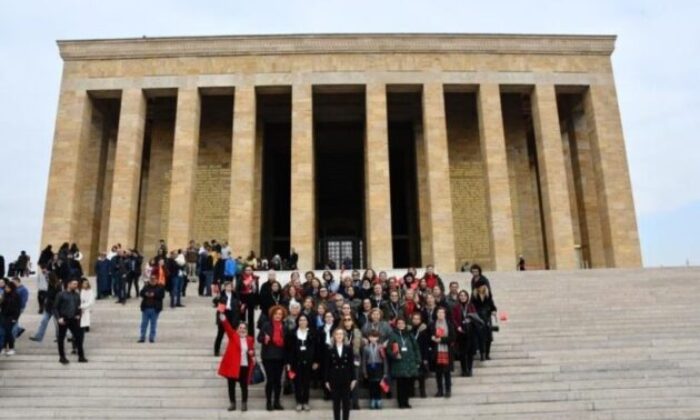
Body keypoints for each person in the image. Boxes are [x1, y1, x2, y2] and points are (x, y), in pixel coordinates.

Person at [217, 315, 255, 412]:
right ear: (237, 329)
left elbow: (251, 350)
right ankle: (232, 403)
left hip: (244, 366)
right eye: (240, 328)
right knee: (231, 386)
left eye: (244, 328)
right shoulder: (233, 336)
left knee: (244, 386)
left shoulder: (250, 339)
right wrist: (224, 319)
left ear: (246, 330)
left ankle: (244, 403)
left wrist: (251, 353)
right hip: (233, 366)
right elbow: (227, 327)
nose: (242, 330)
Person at [285, 313, 318, 411]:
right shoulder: (292, 333)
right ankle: (299, 402)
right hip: (296, 362)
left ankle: (306, 402)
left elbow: (317, 349)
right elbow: (287, 349)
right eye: (300, 320)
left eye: (304, 320)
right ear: (297, 322)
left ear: (307, 322)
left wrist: (316, 361)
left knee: (307, 383)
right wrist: (288, 363)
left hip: (309, 362)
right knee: (297, 383)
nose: (302, 322)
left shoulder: (313, 333)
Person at [258, 305, 288, 411]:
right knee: (270, 380)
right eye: (276, 314)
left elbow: (288, 342)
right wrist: (265, 339)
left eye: (280, 314)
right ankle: (268, 402)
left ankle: (276, 402)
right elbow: (259, 338)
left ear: (283, 315)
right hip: (268, 356)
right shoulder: (266, 325)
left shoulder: (284, 326)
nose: (278, 316)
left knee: (278, 381)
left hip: (280, 357)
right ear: (272, 314)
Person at [387, 317, 420, 409]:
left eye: (402, 323)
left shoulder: (409, 335)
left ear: (405, 325)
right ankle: (401, 403)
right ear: (396, 325)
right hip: (399, 363)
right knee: (400, 385)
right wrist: (394, 355)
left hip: (409, 363)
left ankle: (406, 402)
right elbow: (389, 349)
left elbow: (416, 348)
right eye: (399, 323)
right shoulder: (393, 335)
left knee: (408, 384)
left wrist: (418, 360)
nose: (401, 325)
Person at [325, 328, 357, 420]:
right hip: (334, 378)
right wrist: (326, 380)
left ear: (344, 336)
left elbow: (351, 364)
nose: (339, 336)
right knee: (336, 403)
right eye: (337, 334)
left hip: (346, 378)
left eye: (341, 334)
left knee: (346, 403)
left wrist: (354, 379)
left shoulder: (348, 348)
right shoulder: (329, 349)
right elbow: (327, 366)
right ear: (334, 336)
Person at [54, 278, 87, 364]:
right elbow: (55, 308)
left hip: (73, 319)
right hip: (63, 319)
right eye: (74, 284)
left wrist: (78, 314)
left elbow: (78, 306)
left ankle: (81, 356)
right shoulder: (61, 294)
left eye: (76, 284)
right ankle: (62, 357)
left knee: (79, 337)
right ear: (69, 284)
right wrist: (58, 318)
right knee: (61, 339)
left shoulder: (76, 295)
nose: (76, 285)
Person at [428, 307, 455, 398]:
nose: (440, 314)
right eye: (438, 313)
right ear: (436, 314)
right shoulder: (432, 324)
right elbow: (429, 336)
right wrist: (433, 338)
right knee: (438, 372)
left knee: (447, 372)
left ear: (445, 314)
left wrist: (441, 339)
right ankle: (440, 390)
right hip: (436, 350)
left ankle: (448, 390)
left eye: (442, 313)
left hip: (446, 350)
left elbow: (452, 337)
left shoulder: (449, 324)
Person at [452, 290, 479, 376]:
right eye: (461, 295)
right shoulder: (456, 307)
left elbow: (475, 317)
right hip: (460, 332)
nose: (463, 297)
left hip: (470, 332)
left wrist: (470, 320)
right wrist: (457, 327)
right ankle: (464, 370)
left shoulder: (471, 306)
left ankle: (470, 369)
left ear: (467, 297)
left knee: (470, 352)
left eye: (464, 295)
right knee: (462, 353)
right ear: (459, 297)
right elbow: (453, 319)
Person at [29, 272, 61, 342]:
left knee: (57, 324)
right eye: (46, 278)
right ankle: (38, 336)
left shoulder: (58, 285)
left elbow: (58, 297)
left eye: (47, 278)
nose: (46, 279)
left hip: (56, 308)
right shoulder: (49, 285)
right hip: (48, 307)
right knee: (43, 321)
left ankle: (60, 337)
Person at [362, 330, 388, 409]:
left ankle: (378, 400)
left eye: (375, 337)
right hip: (370, 367)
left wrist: (385, 371)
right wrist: (364, 371)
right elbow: (364, 361)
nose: (373, 339)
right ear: (369, 338)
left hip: (379, 366)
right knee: (372, 385)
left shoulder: (381, 347)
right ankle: (372, 400)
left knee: (378, 385)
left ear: (378, 338)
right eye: (371, 337)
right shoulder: (366, 348)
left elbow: (384, 360)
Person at [471, 280, 497, 361]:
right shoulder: (474, 296)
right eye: (479, 287)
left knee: (488, 337)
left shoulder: (488, 296)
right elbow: (471, 307)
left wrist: (494, 311)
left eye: (482, 286)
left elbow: (493, 306)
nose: (481, 288)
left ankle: (487, 354)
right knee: (481, 337)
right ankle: (482, 354)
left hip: (487, 318)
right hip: (478, 319)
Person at [213, 281, 241, 356]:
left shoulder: (235, 295)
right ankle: (216, 350)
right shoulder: (221, 295)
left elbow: (238, 305)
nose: (229, 288)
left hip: (233, 314)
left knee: (233, 334)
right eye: (228, 286)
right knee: (220, 334)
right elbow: (215, 303)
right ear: (225, 287)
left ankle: (234, 349)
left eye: (230, 286)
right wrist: (217, 298)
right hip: (224, 313)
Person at [138, 275, 165, 343]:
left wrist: (154, 294)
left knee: (153, 324)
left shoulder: (160, 287)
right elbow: (141, 293)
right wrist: (145, 294)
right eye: (151, 279)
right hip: (146, 308)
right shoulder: (146, 286)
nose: (152, 281)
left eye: (154, 279)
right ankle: (142, 337)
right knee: (144, 324)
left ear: (156, 280)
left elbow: (162, 295)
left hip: (155, 309)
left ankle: (151, 337)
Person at [409, 312, 429, 398]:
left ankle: (422, 392)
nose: (416, 320)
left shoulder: (424, 330)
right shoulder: (409, 330)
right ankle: (412, 392)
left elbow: (426, 345)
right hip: (411, 356)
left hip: (421, 354)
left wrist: (425, 358)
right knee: (412, 375)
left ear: (420, 320)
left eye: (417, 319)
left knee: (421, 375)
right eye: (414, 319)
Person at [74, 278, 95, 354]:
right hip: (80, 310)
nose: (84, 285)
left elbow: (91, 302)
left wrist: (83, 306)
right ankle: (75, 346)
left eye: (86, 283)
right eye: (83, 283)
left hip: (85, 309)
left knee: (84, 323)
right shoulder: (80, 291)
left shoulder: (90, 291)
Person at [1, 281, 21, 355]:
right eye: (6, 287)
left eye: (7, 288)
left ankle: (11, 348)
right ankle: (4, 347)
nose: (6, 289)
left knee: (9, 332)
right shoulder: (5, 295)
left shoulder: (16, 295)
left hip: (11, 317)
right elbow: (2, 305)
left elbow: (18, 308)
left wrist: (15, 318)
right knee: (4, 332)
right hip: (4, 316)